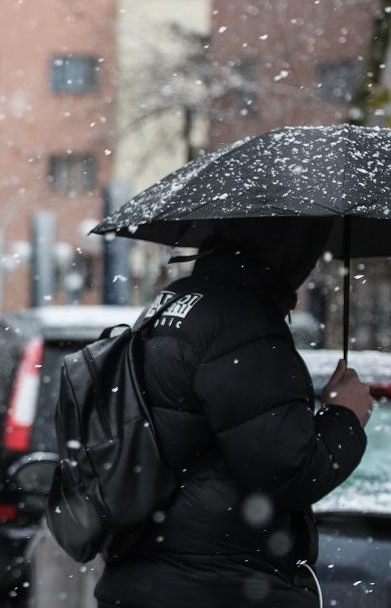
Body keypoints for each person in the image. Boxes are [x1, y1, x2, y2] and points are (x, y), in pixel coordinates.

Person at [93, 217, 374, 608]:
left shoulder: (175, 302)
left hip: (150, 576)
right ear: (290, 250)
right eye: (310, 249)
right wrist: (345, 415)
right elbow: (286, 472)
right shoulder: (244, 325)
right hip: (221, 584)